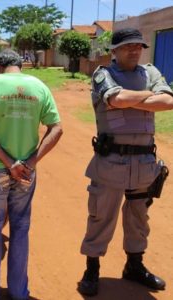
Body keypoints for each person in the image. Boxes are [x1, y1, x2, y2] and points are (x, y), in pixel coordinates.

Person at [78, 28, 173, 296]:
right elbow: (115, 98)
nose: (135, 50)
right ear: (114, 50)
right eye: (128, 46)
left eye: (139, 46)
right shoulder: (103, 74)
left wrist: (131, 99)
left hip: (144, 163)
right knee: (101, 217)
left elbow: (168, 101)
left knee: (139, 219)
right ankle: (92, 269)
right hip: (111, 162)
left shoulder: (150, 72)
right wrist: (146, 97)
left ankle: (134, 265)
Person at [0, 49, 63, 300]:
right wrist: (30, 163)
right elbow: (56, 128)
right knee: (21, 229)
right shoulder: (39, 86)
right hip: (26, 172)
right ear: (20, 65)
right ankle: (19, 292)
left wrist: (8, 162)